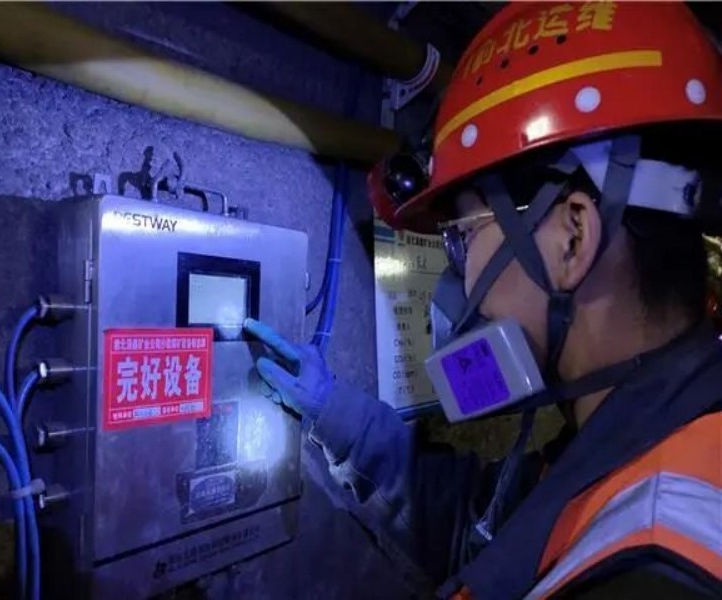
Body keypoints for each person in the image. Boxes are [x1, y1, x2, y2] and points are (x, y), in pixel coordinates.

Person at [245, 3, 722, 599]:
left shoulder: (656, 565)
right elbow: (482, 529)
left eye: (463, 237)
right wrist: (336, 414)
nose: (459, 280)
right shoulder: (640, 443)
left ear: (572, 239)